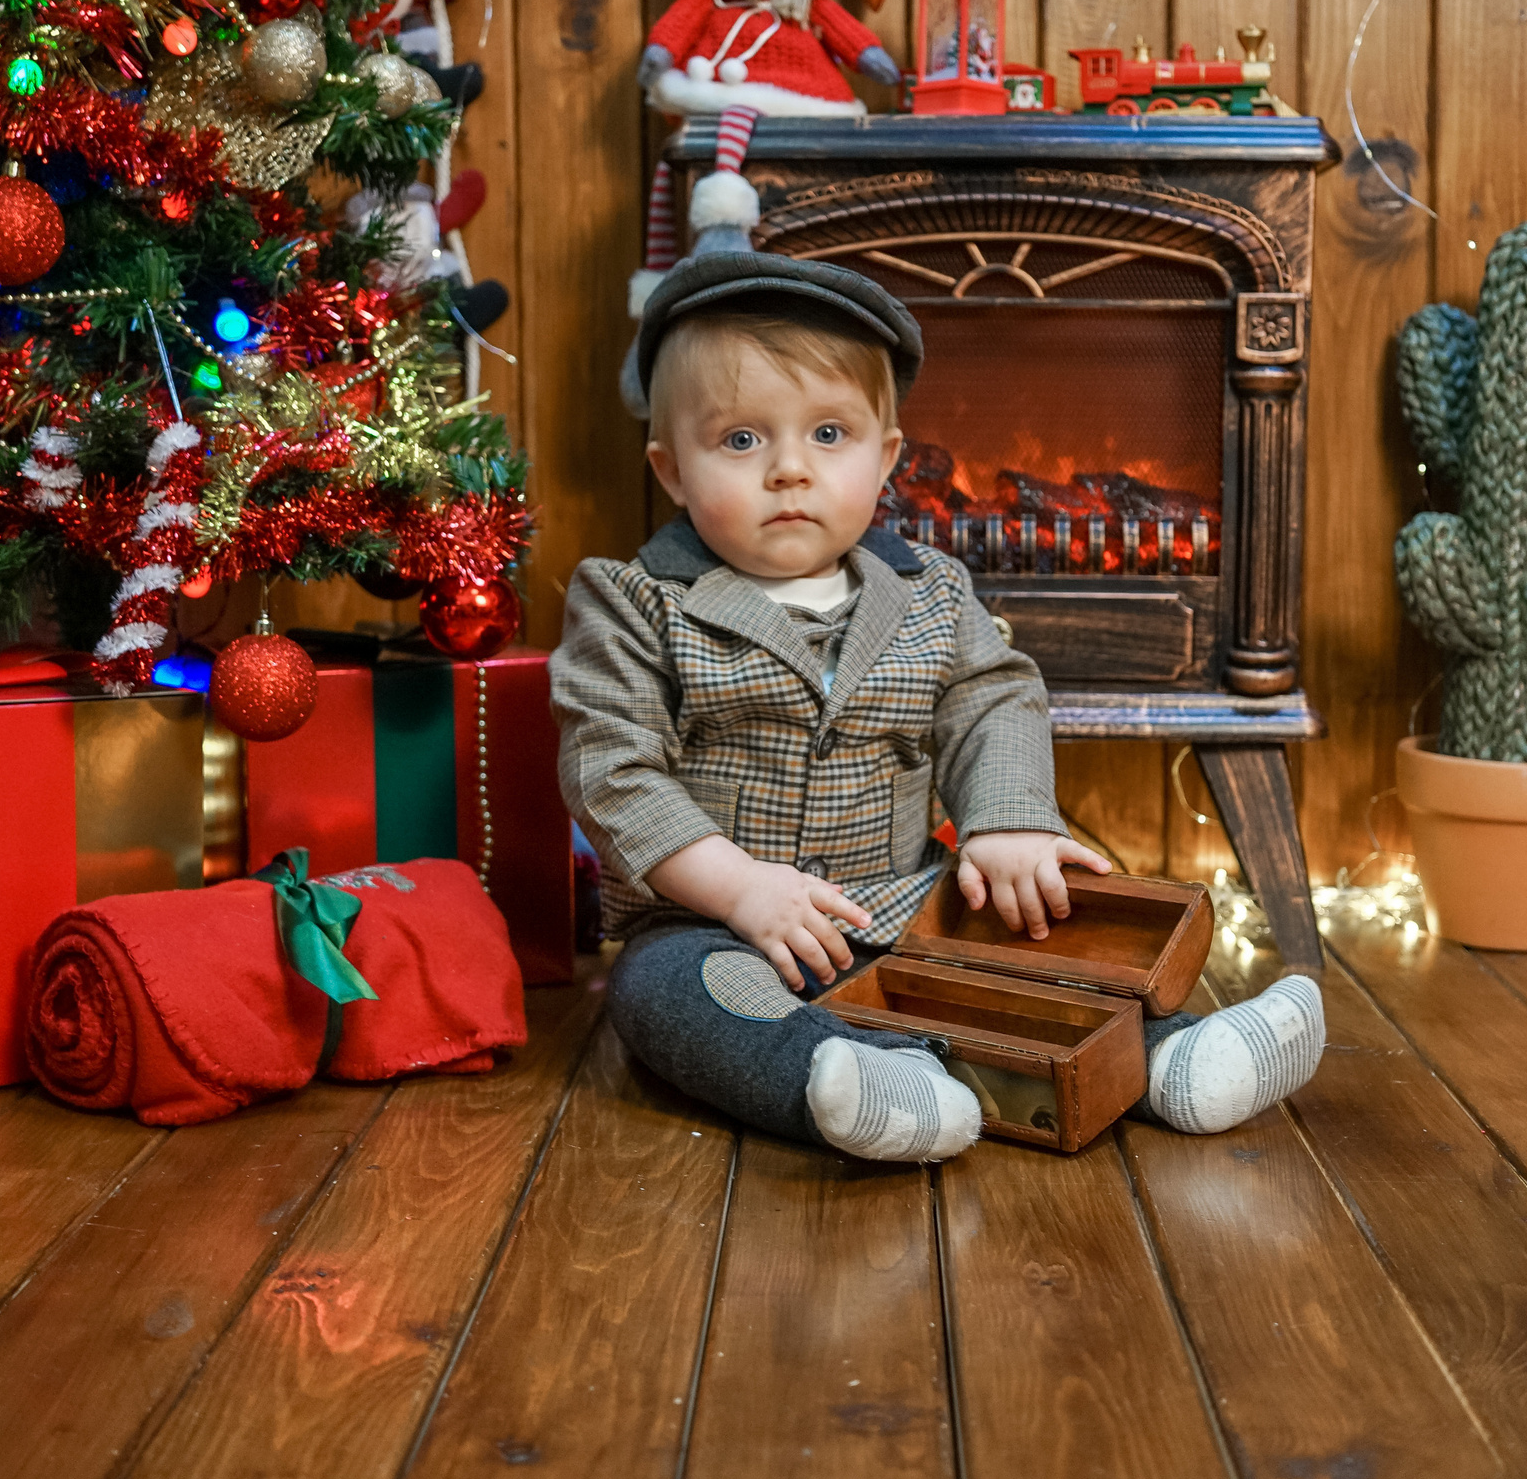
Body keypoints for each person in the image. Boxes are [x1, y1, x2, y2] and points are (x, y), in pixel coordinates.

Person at [551, 252, 1324, 1163]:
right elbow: (614, 765)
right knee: (673, 1000)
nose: (789, 471)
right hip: (713, 919)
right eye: (741, 440)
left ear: (885, 460)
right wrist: (741, 887)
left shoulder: (930, 592)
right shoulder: (635, 600)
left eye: (828, 435)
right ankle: (852, 1083)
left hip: (904, 900)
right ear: (672, 469)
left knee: (1032, 936)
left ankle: (1177, 1058)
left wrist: (1003, 823)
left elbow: (991, 699)